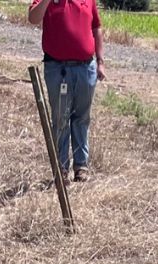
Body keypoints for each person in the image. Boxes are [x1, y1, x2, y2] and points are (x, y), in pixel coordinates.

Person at [28, 0, 106, 184]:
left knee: (82, 118)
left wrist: (100, 62)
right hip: (57, 68)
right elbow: (33, 18)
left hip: (85, 68)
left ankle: (81, 167)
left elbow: (96, 28)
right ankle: (61, 168)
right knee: (60, 118)